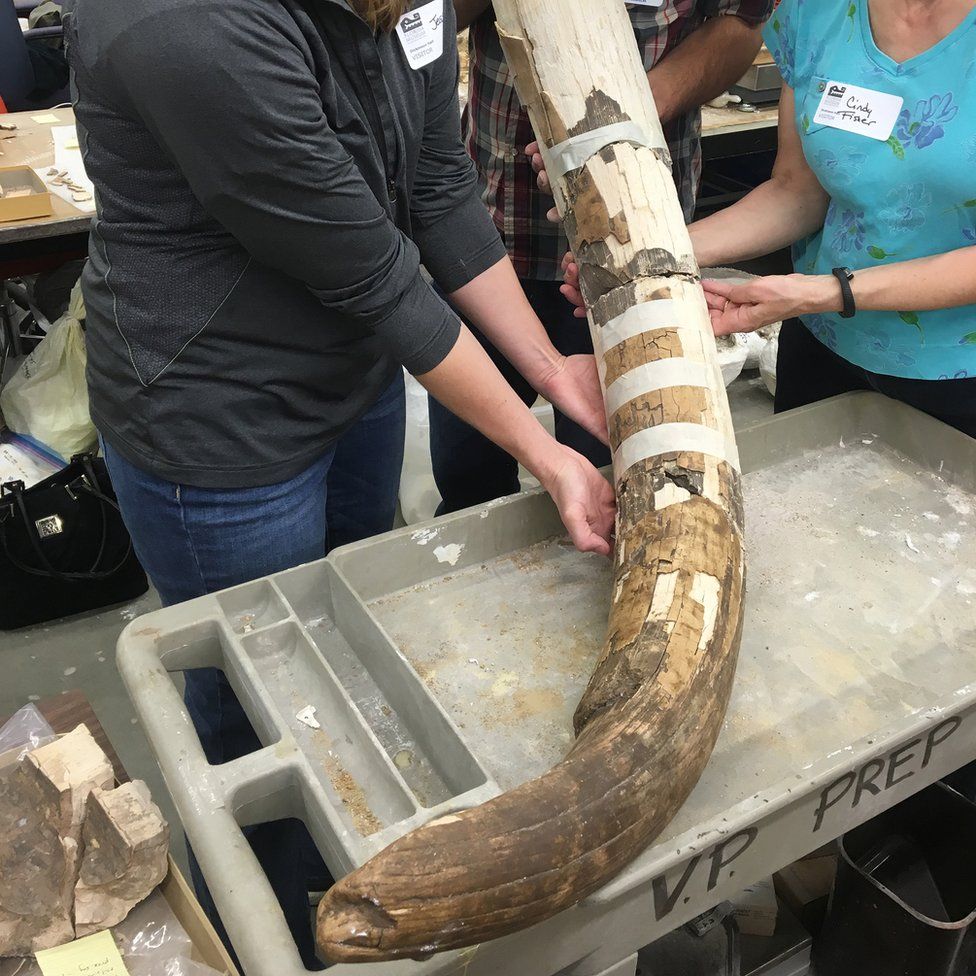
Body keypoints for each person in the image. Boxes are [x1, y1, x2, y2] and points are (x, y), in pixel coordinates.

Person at [63, 0, 614, 965]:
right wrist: (543, 449)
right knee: (248, 701)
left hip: (353, 375)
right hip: (219, 413)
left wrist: (551, 371)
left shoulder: (402, 6)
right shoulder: (183, 26)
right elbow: (373, 273)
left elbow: (435, 183)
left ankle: (356, 870)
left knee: (350, 649)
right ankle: (275, 932)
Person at [562, 0, 976, 436]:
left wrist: (830, 292)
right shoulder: (818, 12)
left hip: (957, 373)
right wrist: (650, 254)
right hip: (824, 347)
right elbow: (796, 193)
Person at [430, 0, 775, 514]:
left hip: (636, 238)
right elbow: (419, 19)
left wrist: (623, 114)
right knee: (468, 471)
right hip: (487, 234)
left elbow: (743, 25)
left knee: (618, 472)